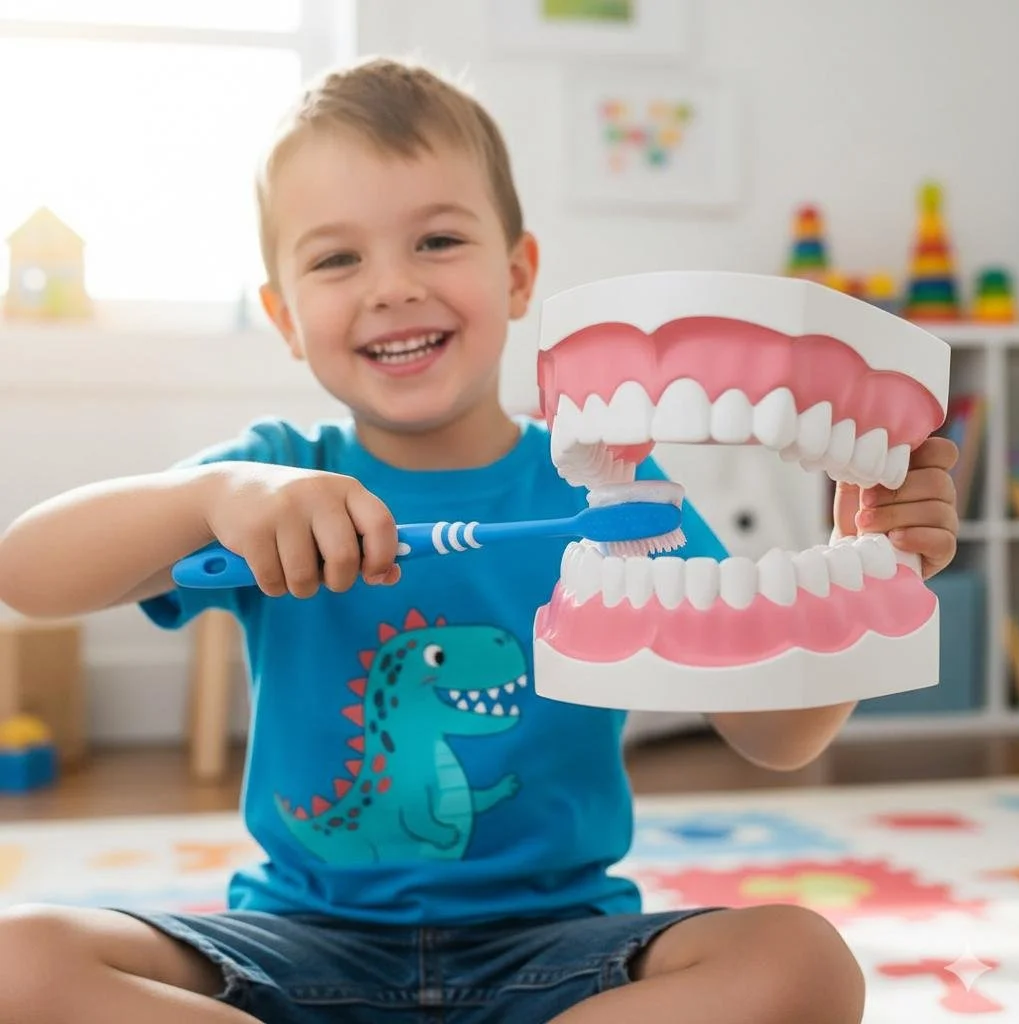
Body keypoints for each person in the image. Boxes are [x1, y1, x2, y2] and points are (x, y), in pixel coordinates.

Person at [0, 56, 959, 1024]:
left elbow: (777, 737)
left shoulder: (621, 494)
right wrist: (212, 494)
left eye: (437, 239)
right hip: (299, 943)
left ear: (517, 275)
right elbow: (26, 573)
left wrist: (858, 568)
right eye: (337, 259)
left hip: (557, 951)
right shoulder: (267, 476)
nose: (391, 286)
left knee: (800, 963)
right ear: (287, 319)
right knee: (19, 960)